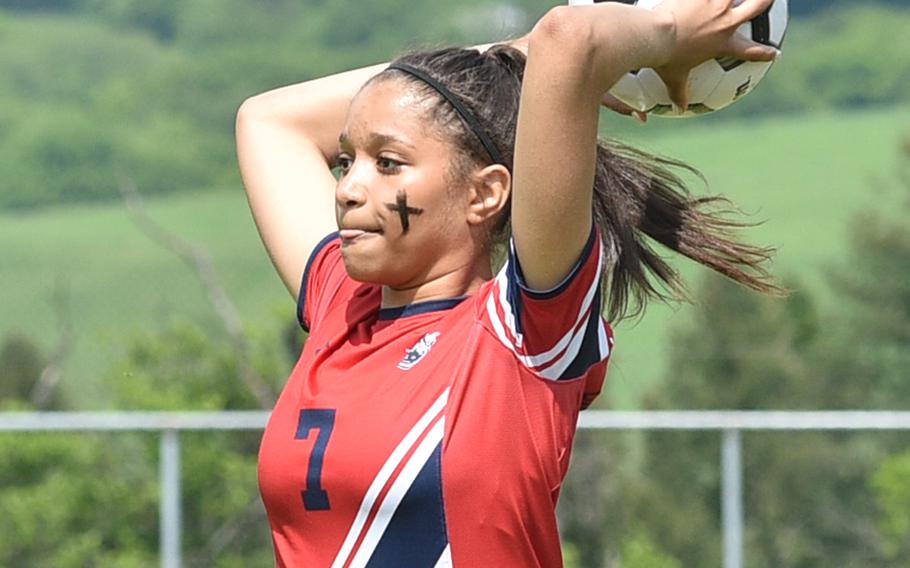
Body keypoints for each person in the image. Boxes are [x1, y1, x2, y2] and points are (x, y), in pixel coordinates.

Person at [236, 1, 784, 565]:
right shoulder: (341, 306)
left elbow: (570, 37)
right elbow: (268, 119)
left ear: (485, 194)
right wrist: (511, 64)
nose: (348, 188)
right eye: (346, 161)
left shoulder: (522, 330)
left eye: (389, 163)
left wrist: (670, 33)